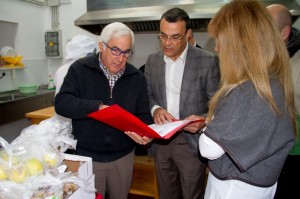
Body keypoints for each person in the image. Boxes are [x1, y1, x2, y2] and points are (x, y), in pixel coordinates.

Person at [197, 0, 296, 198]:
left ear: (239, 44)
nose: (216, 48)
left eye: (220, 40)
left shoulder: (245, 90)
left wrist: (206, 126)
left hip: (233, 188)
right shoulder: (273, 79)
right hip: (262, 185)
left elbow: (207, 148)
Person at [129, 7, 220, 199]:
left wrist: (203, 121)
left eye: (175, 37)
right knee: (166, 194)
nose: (167, 43)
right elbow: (147, 94)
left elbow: (217, 104)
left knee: (191, 194)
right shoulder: (153, 60)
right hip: (161, 141)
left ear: (188, 34)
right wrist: (156, 108)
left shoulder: (207, 61)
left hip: (190, 143)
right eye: (163, 36)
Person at [55, 22, 153, 199]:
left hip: (123, 157)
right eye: (115, 50)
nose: (121, 58)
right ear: (101, 46)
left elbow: (143, 114)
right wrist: (97, 107)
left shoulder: (136, 77)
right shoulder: (80, 69)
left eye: (126, 52)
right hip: (88, 157)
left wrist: (146, 132)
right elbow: (62, 102)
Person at [267, 4, 300, 199]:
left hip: (294, 152)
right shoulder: (268, 57)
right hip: (273, 152)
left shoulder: (296, 62)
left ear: (284, 32)